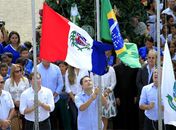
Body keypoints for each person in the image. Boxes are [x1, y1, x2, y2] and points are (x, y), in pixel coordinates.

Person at [36, 59, 63, 130]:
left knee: (53, 122)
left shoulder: (56, 68)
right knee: (42, 123)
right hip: (41, 101)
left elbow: (61, 84)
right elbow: (32, 83)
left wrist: (54, 95)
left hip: (54, 100)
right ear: (41, 58)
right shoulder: (36, 68)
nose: (48, 59)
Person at [113, 62, 139, 130]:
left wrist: (136, 95)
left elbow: (136, 82)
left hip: (131, 96)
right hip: (120, 96)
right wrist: (116, 96)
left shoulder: (135, 67)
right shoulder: (116, 68)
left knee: (131, 114)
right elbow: (115, 83)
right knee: (121, 115)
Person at [136, 49, 157, 130]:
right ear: (147, 58)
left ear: (156, 59)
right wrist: (146, 91)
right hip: (143, 99)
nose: (151, 59)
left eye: (153, 58)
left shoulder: (159, 70)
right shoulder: (142, 68)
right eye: (149, 57)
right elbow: (138, 82)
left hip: (154, 100)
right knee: (142, 121)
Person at [65, 65, 89, 130]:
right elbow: (67, 87)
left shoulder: (85, 69)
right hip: (73, 98)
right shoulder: (68, 71)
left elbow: (87, 84)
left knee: (83, 118)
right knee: (75, 118)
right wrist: (74, 98)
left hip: (83, 97)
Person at [93, 66, 117, 130]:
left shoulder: (111, 69)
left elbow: (113, 82)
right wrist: (97, 92)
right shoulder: (94, 68)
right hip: (97, 94)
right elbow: (92, 83)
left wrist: (108, 91)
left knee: (105, 116)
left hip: (108, 94)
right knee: (98, 116)